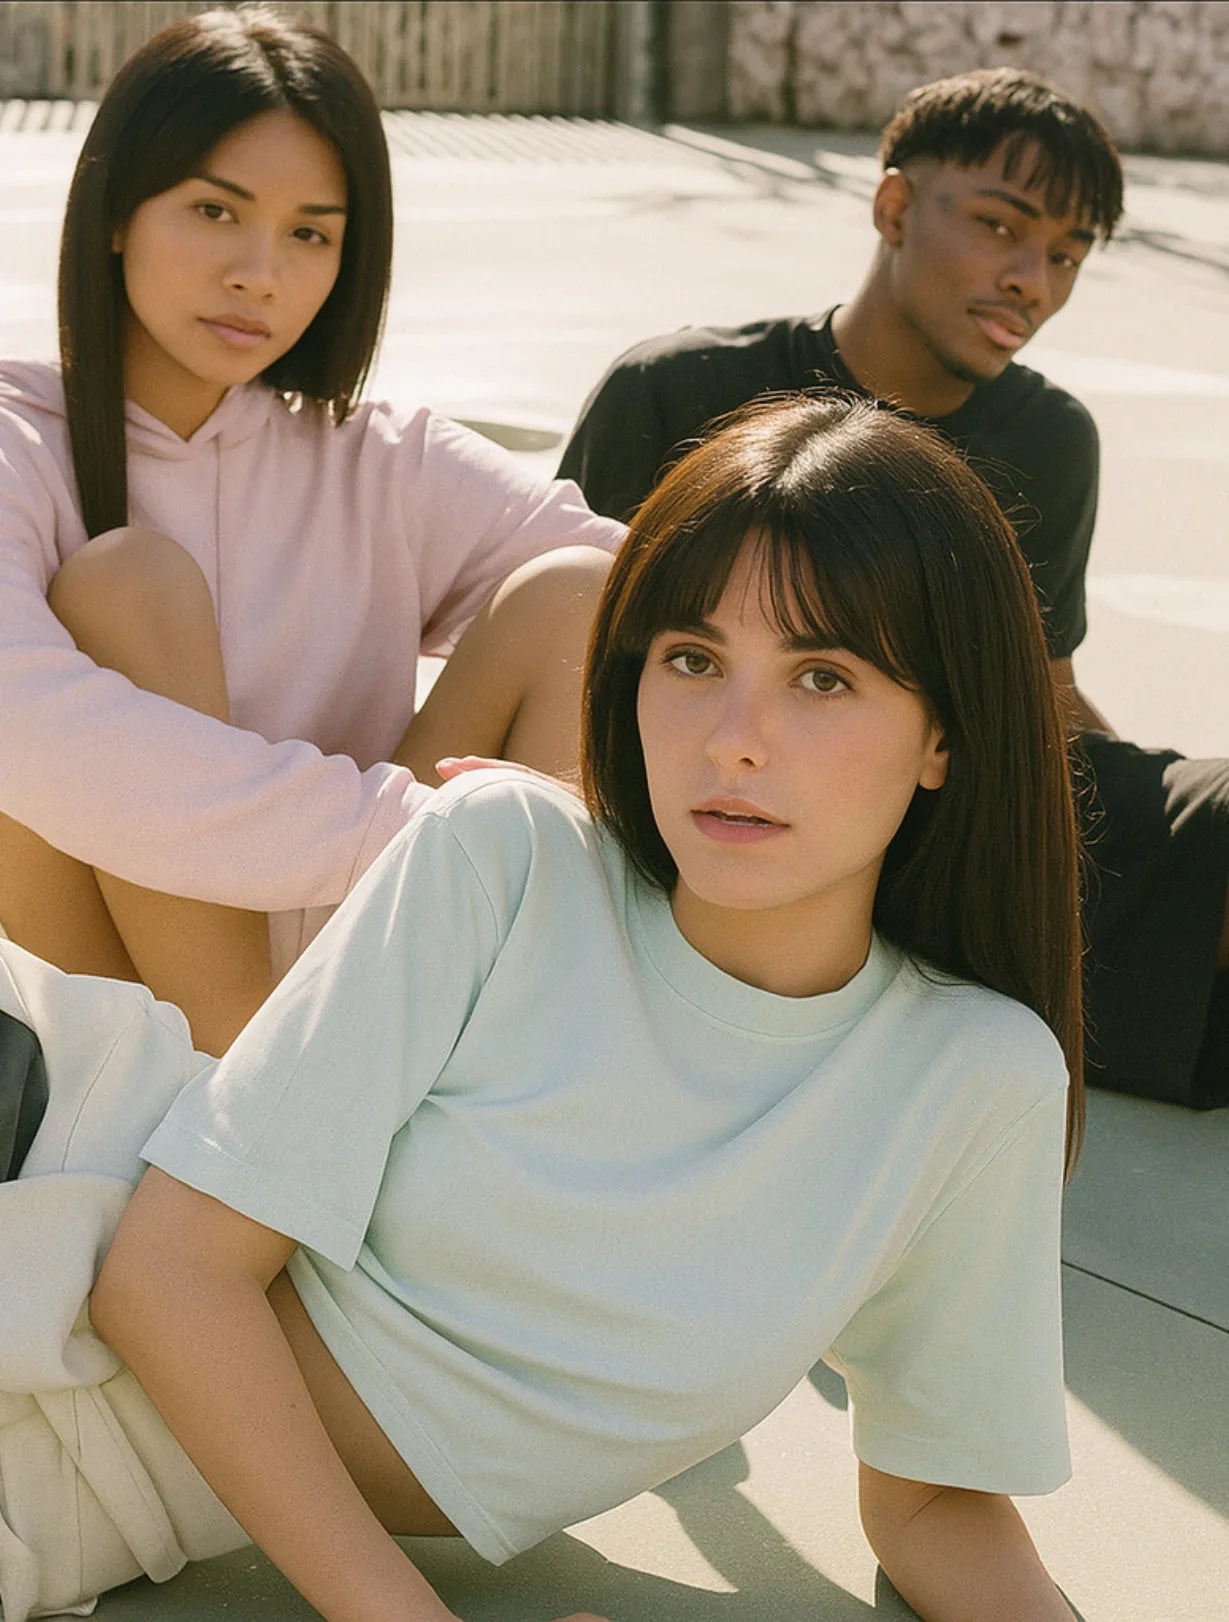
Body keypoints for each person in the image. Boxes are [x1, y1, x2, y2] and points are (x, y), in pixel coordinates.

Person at [3, 396, 1082, 1621]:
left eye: (821, 677)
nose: (733, 740)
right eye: (691, 659)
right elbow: (166, 1276)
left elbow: (934, 1502)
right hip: (40, 1187)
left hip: (70, 1477)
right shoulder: (509, 856)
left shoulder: (972, 1075)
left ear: (944, 734)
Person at [559, 67, 1229, 1111]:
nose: (1032, 281)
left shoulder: (1050, 440)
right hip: (763, 801)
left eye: (1065, 255)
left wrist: (1170, 809)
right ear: (892, 207)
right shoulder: (677, 389)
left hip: (962, 782)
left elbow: (1042, 689)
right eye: (1000, 227)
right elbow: (577, 643)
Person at [0, 4, 622, 1056]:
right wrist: (416, 827)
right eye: (214, 211)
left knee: (583, 595)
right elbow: (28, 730)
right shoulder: (18, 437)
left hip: (362, 966)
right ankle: (245, 1094)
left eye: (309, 233)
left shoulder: (378, 456)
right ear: (116, 212)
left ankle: (461, 1069)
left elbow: (669, 586)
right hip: (115, 1007)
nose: (260, 272)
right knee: (127, 581)